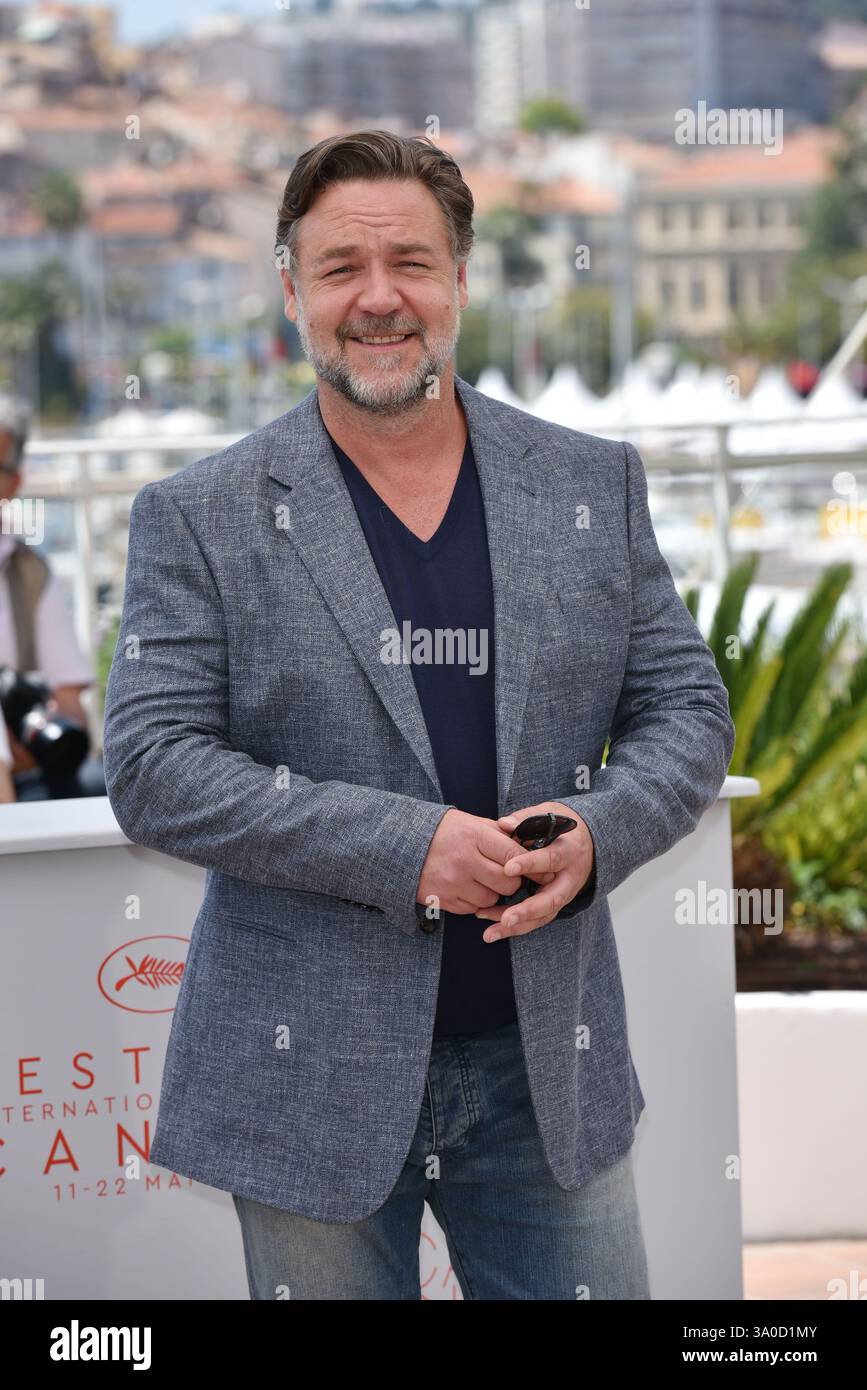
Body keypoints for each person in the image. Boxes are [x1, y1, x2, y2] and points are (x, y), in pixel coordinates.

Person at [102, 130, 736, 1300]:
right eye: (341, 267)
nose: (379, 297)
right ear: (291, 290)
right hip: (303, 1078)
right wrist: (409, 848)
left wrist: (598, 832)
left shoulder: (590, 482)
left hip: (547, 1070)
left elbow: (686, 707)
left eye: (410, 262)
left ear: (460, 280)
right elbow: (151, 764)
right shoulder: (198, 515)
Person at [0, 393, 104, 803]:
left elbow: (70, 705)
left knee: (103, 790)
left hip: (23, 778)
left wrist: (35, 728)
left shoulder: (28, 572)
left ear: (13, 483)